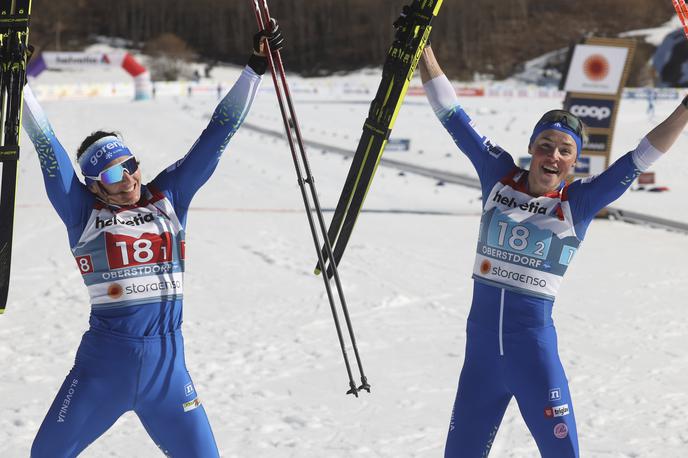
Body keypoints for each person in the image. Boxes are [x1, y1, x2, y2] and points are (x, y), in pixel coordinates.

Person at [23, 21, 284, 457]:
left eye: (129, 165)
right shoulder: (82, 212)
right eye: (109, 174)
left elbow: (218, 132)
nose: (125, 179)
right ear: (92, 184)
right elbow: (46, 146)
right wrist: (18, 85)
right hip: (102, 370)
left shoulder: (170, 197)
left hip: (169, 372)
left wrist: (255, 67)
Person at [419, 44, 686, 457]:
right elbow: (451, 113)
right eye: (546, 144)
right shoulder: (498, 175)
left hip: (535, 361)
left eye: (565, 151)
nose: (553, 155)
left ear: (575, 163)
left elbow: (641, 155)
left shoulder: (576, 203)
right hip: (480, 361)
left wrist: (686, 107)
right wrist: (424, 47)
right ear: (532, 146)